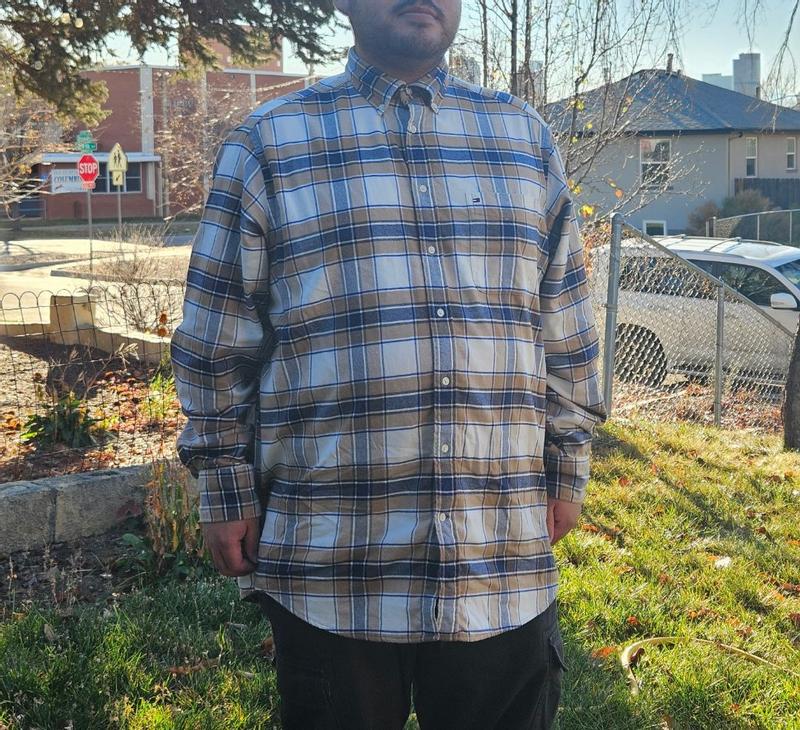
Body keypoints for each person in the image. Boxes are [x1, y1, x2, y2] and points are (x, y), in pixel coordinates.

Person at [171, 0, 606, 727]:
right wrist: (223, 483)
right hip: (333, 563)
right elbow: (218, 337)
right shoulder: (269, 143)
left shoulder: (523, 138)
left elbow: (564, 320)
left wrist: (568, 463)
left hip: (499, 555)